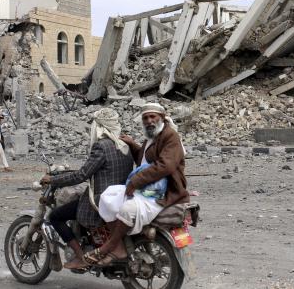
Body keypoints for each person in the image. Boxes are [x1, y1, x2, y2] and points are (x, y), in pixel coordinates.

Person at [87, 103, 189, 265]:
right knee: (108, 196)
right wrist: (133, 145)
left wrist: (135, 181)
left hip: (163, 192)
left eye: (152, 117)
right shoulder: (152, 136)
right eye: (145, 118)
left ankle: (111, 246)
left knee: (128, 209)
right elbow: (145, 161)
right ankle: (120, 244)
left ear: (162, 118)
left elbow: (165, 165)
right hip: (147, 187)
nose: (149, 121)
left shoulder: (170, 136)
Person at [40, 108, 134, 269]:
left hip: (100, 200)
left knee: (56, 216)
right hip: (122, 196)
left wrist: (53, 179)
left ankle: (80, 257)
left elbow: (81, 175)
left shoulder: (101, 146)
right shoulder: (125, 144)